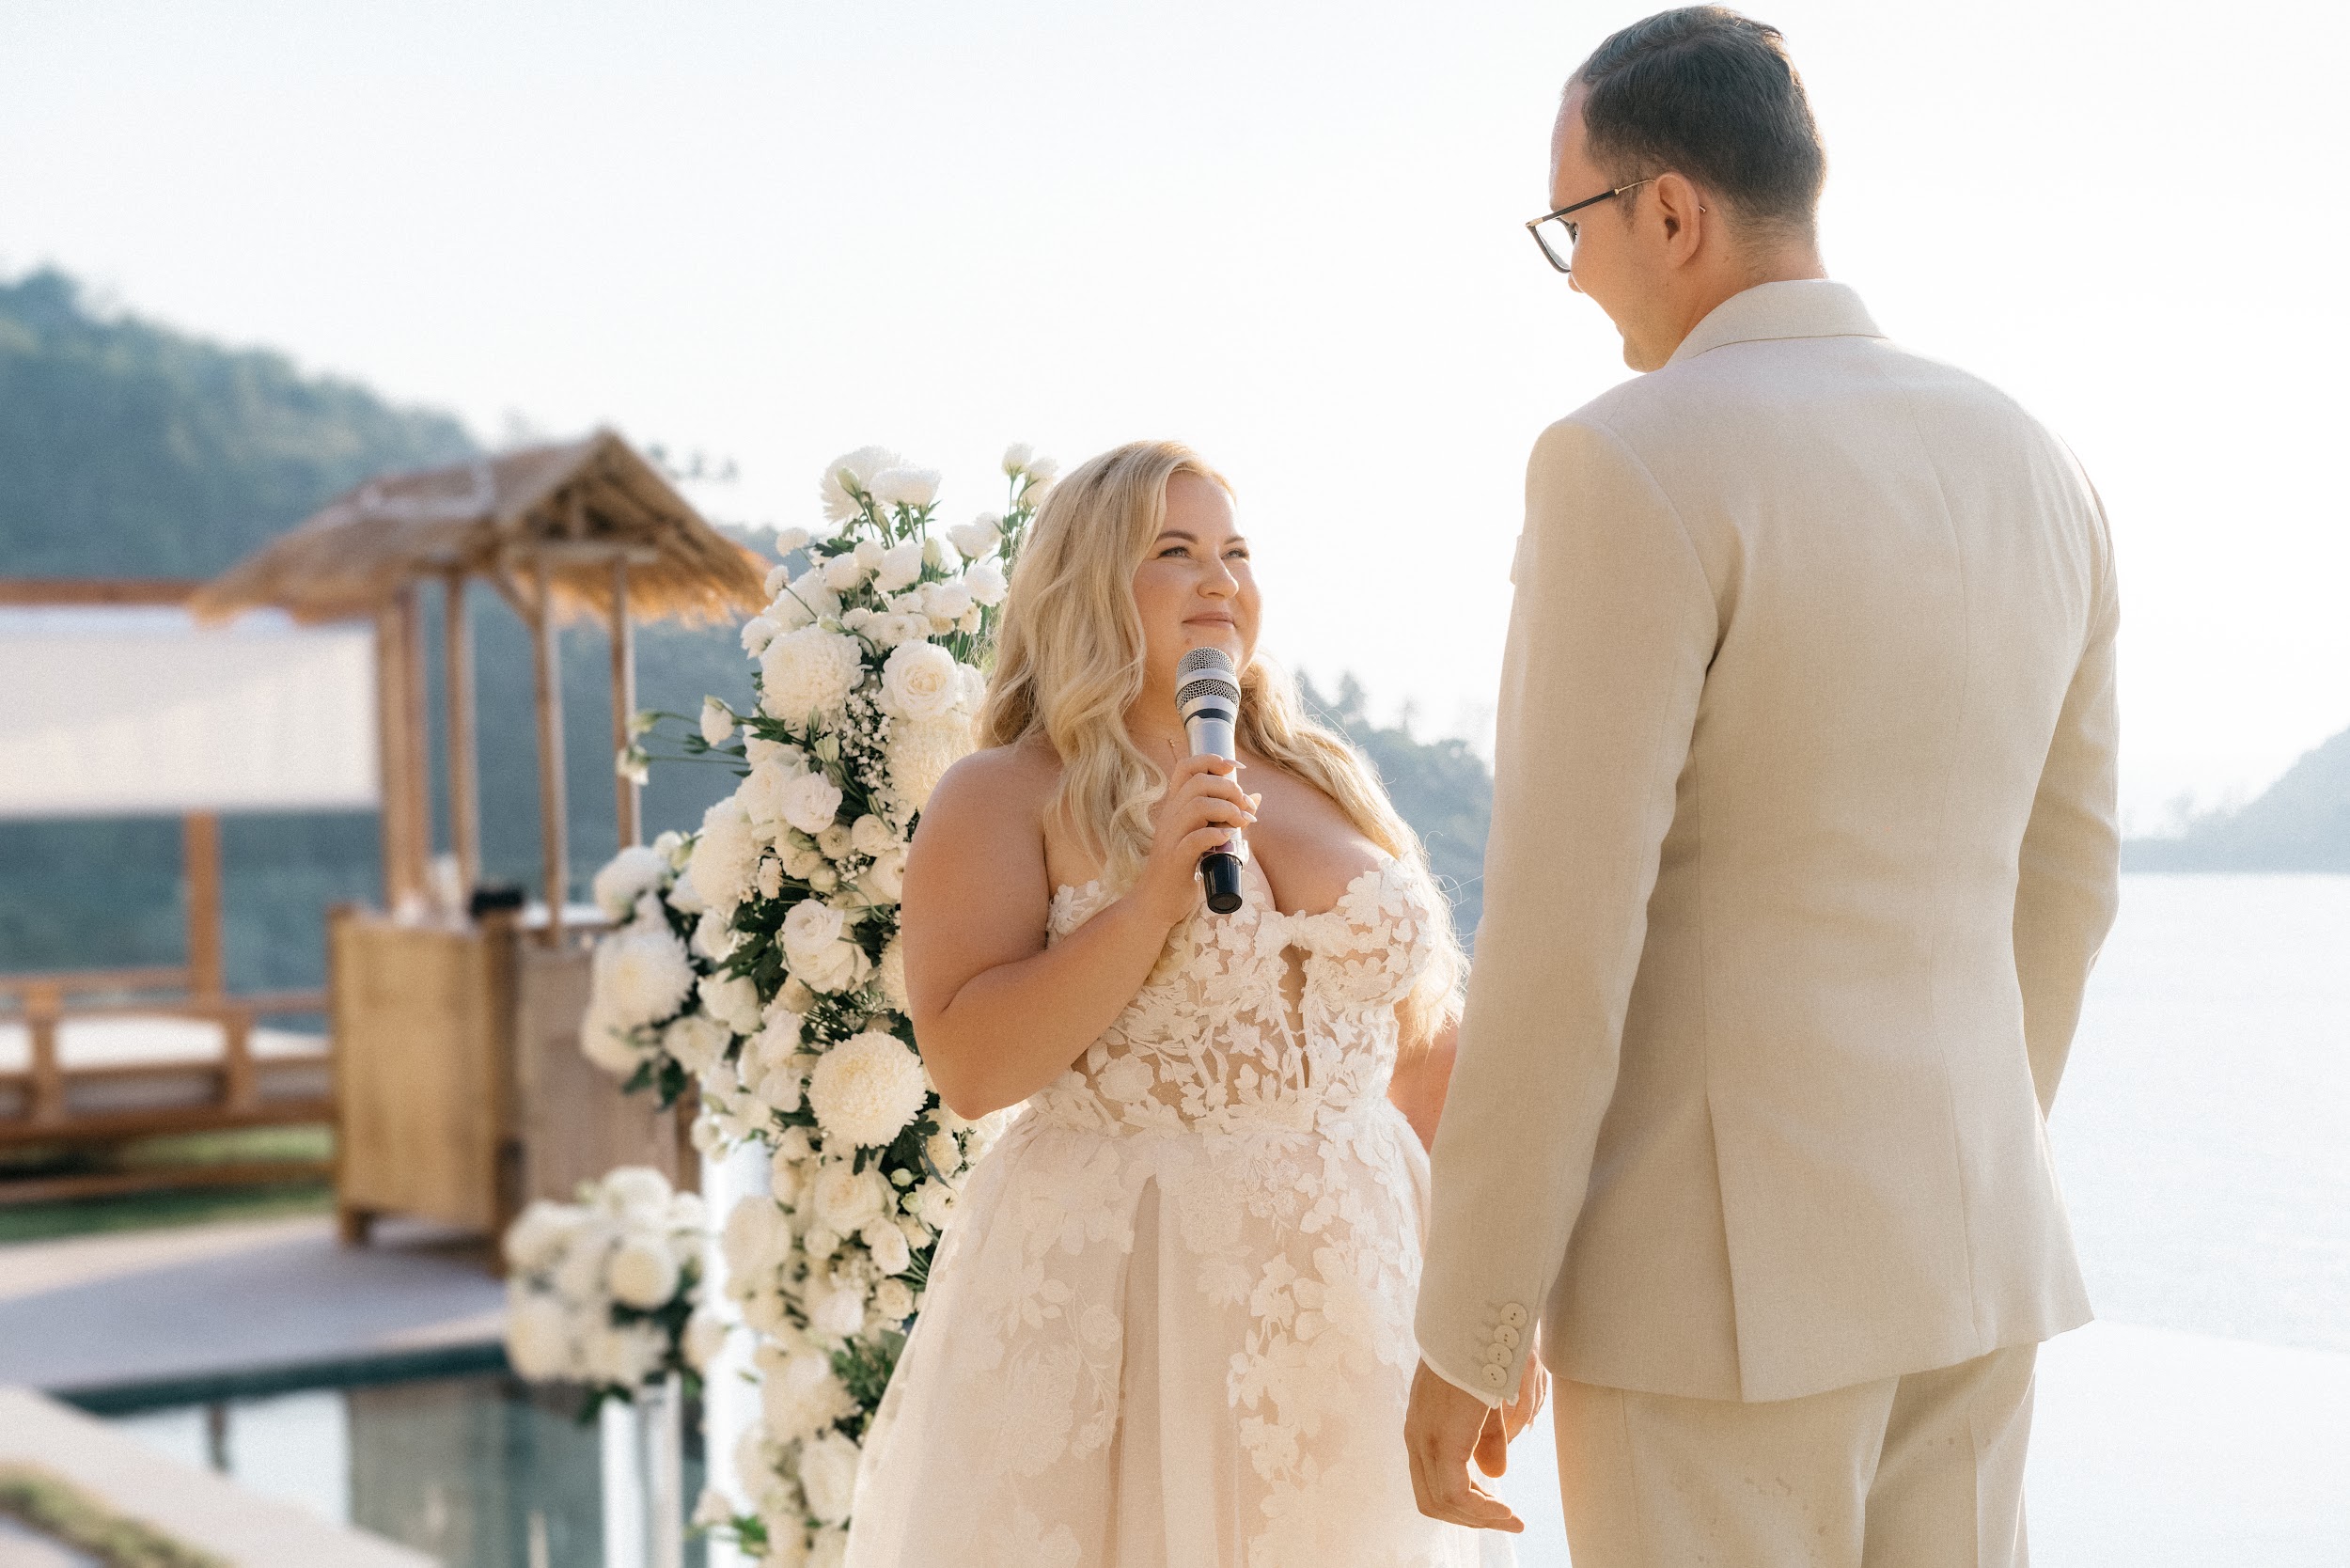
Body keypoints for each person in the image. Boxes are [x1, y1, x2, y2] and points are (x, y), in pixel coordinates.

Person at [1404, 9, 2121, 1567]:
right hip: (1976, 1253)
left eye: (1570, 226)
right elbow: (2071, 882)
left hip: (1713, 1296)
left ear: (1670, 211)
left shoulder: (1631, 460)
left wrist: (1472, 1321)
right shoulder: (2039, 461)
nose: (1576, 275)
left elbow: (1560, 938)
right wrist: (1966, 1154)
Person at [845, 440, 1523, 1567]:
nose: (1219, 580)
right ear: (1088, 582)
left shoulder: (1321, 772)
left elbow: (1418, 1051)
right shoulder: (1008, 790)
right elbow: (969, 1069)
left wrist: (1477, 1313)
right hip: (1139, 1315)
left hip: (1360, 1300)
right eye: (1174, 552)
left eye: (1235, 551)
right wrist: (1150, 902)